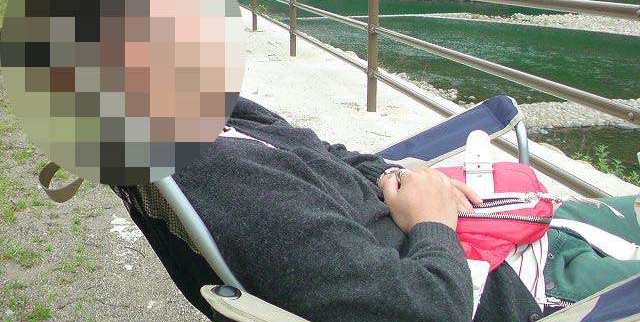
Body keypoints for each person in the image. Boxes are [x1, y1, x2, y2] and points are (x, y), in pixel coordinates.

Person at [174, 96, 545, 322]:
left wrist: (391, 177)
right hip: (501, 290)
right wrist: (433, 221)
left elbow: (321, 149)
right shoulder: (241, 187)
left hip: (476, 233)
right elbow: (435, 310)